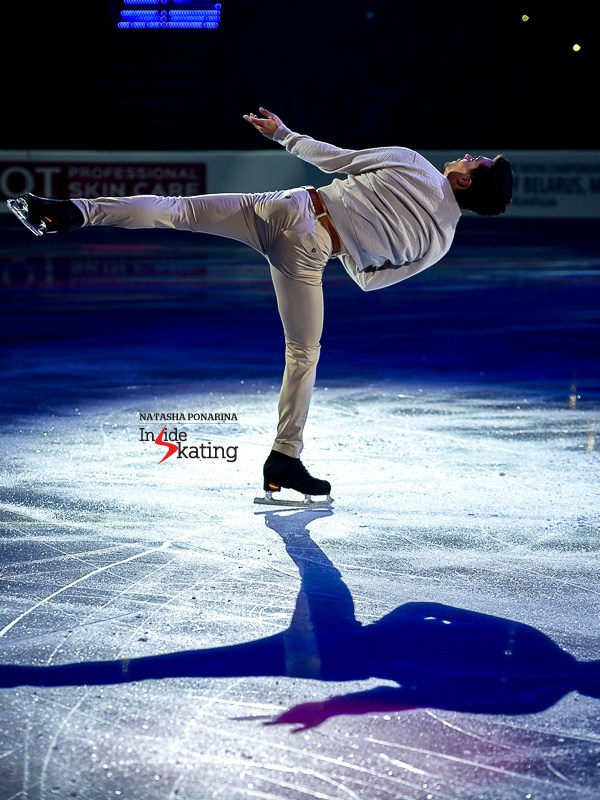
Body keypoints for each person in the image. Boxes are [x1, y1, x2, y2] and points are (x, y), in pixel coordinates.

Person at [6, 108, 513, 505]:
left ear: (466, 182)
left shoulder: (413, 162)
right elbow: (369, 281)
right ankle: (284, 458)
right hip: (311, 252)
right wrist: (353, 243)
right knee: (303, 355)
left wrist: (283, 134)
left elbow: (334, 159)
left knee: (175, 210)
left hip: (287, 204)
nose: (470, 156)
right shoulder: (439, 243)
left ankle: (69, 212)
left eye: (477, 162)